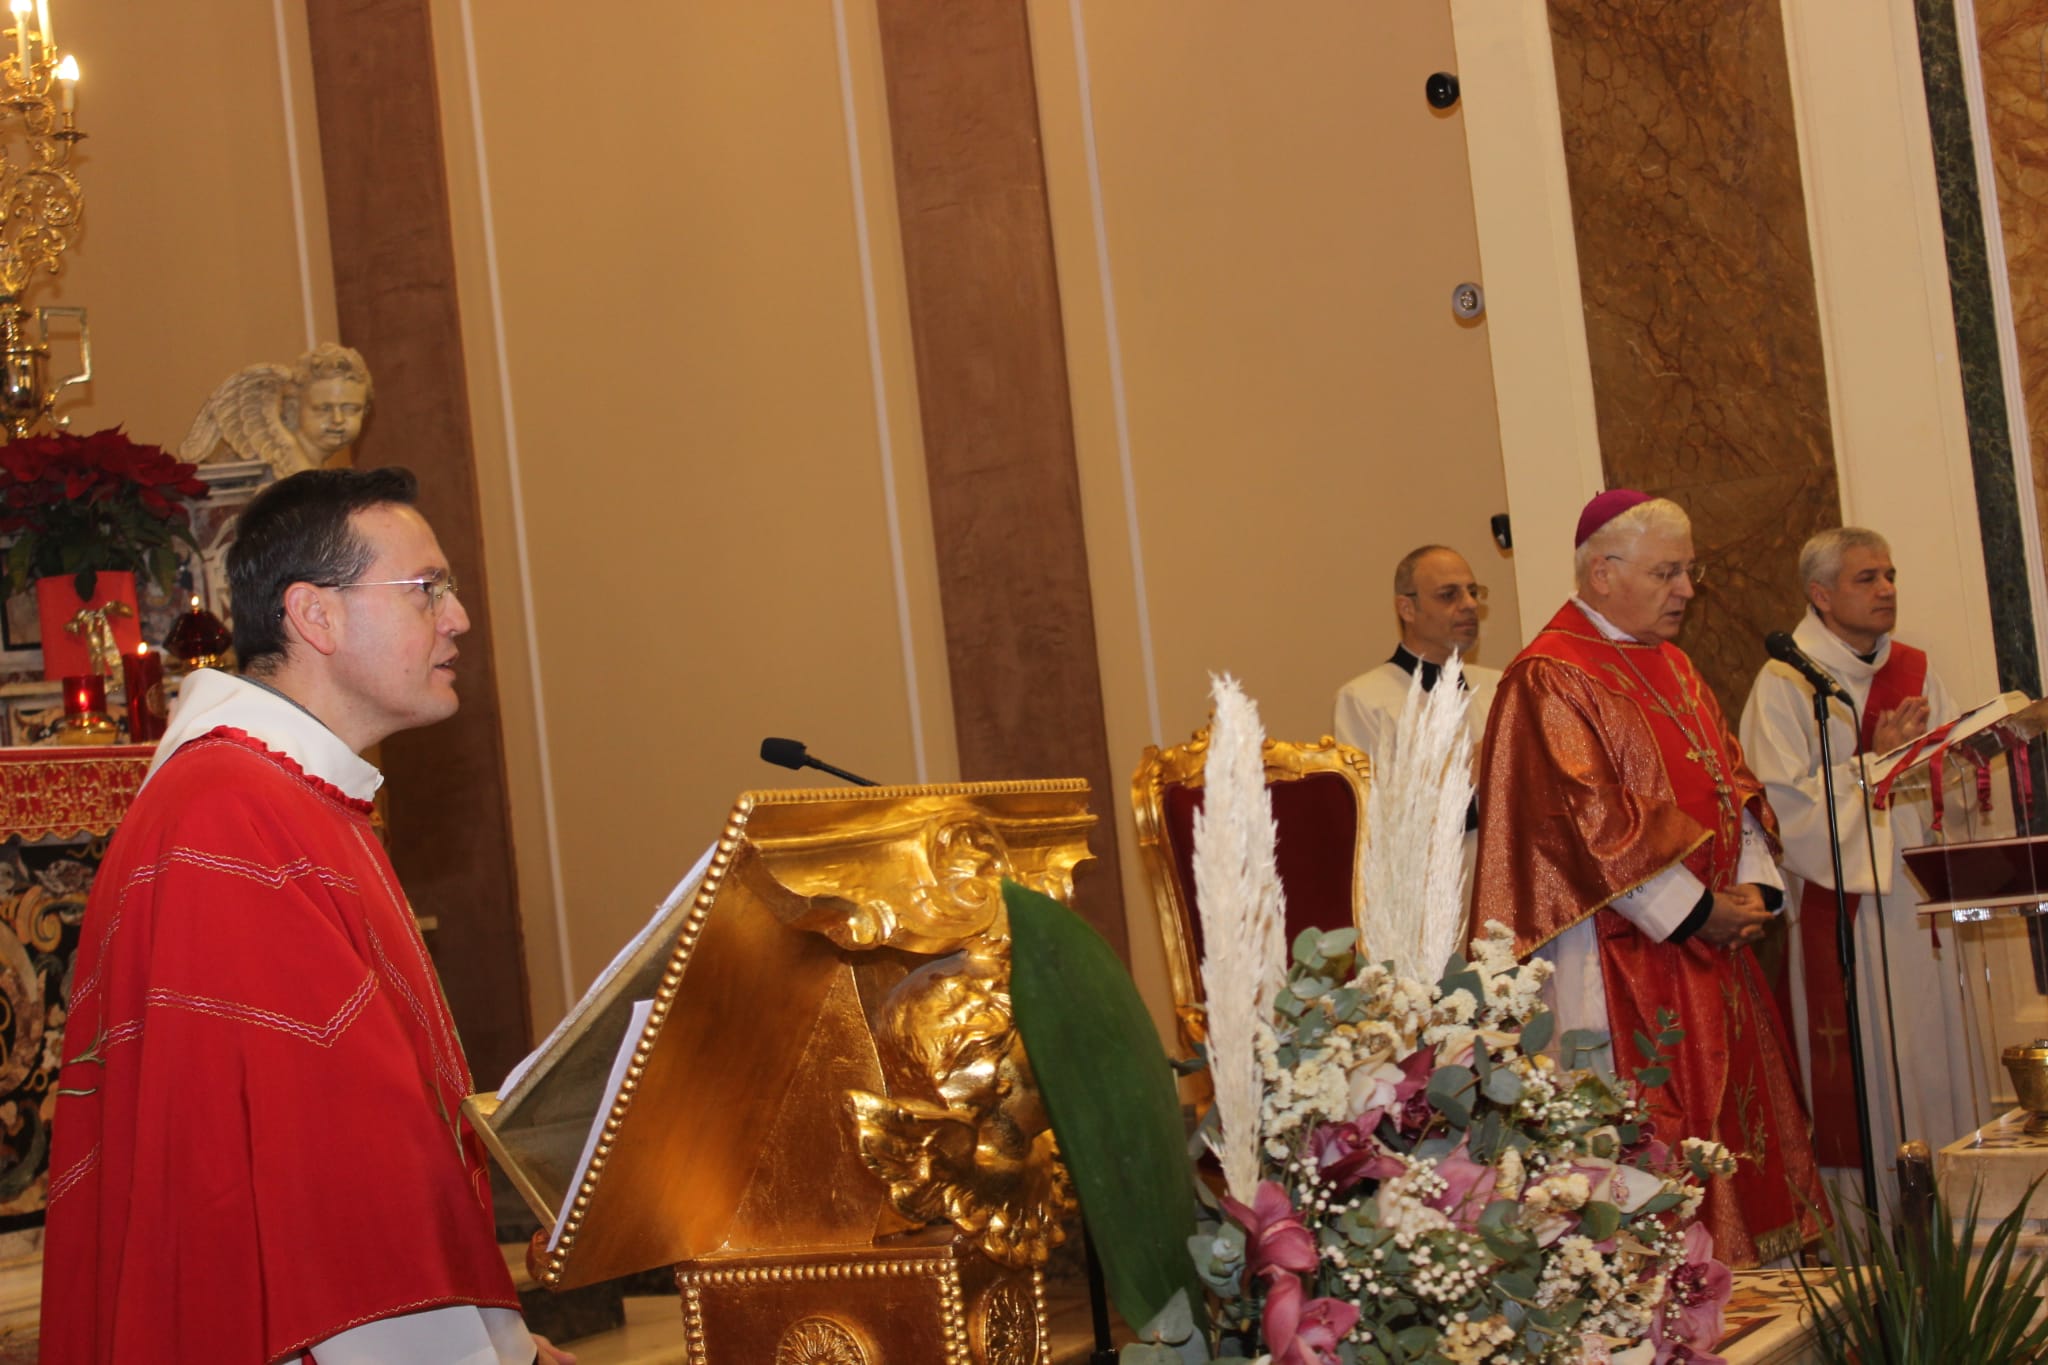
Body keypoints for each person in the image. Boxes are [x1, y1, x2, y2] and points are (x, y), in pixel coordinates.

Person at [44, 468, 572, 1364]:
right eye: (426, 588)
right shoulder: (228, 810)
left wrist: (500, 1341)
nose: (457, 617)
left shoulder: (295, 795)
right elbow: (333, 1157)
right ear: (314, 615)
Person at [1471, 489, 1824, 1268]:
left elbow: (1731, 780)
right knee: (1642, 1155)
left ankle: (1741, 1291)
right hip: (1616, 954)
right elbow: (1585, 821)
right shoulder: (1549, 675)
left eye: (1689, 571)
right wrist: (1699, 912)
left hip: (1710, 947)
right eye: (1668, 573)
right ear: (1602, 573)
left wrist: (1756, 888)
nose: (1687, 590)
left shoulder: (1675, 664)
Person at [1738, 527, 1978, 1182]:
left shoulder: (1917, 671)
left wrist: (1957, 763)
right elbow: (1779, 808)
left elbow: (1955, 776)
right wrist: (1875, 765)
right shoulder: (1785, 683)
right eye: (1867, 578)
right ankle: (1873, 1225)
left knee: (1933, 1050)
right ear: (1820, 594)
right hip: (1844, 910)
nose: (1886, 589)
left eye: (1890, 575)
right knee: (1866, 1065)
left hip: (1919, 900)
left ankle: (1954, 1206)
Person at [1333, 544, 1501, 759]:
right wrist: (1472, 770)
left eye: (1473, 592)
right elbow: (1368, 782)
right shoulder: (1364, 700)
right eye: (1448, 595)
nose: (1470, 604)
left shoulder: (1499, 687)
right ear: (1407, 609)